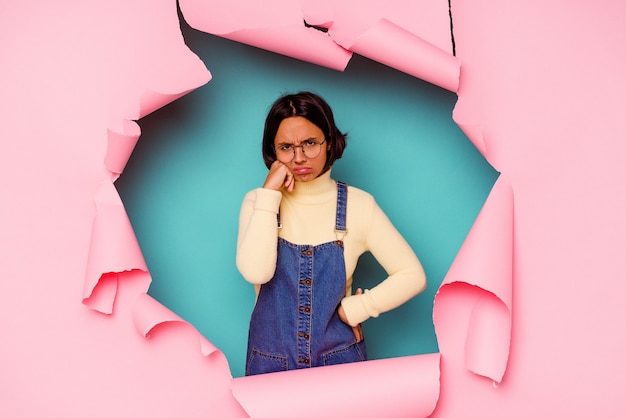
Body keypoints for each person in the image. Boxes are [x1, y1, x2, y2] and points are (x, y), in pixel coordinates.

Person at [236, 91, 426, 376]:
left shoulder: (359, 205)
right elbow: (256, 273)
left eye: (310, 143)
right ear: (273, 152)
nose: (299, 157)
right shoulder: (259, 201)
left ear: (329, 141)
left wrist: (359, 308)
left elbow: (412, 275)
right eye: (286, 147)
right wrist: (268, 194)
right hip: (270, 363)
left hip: (339, 361)